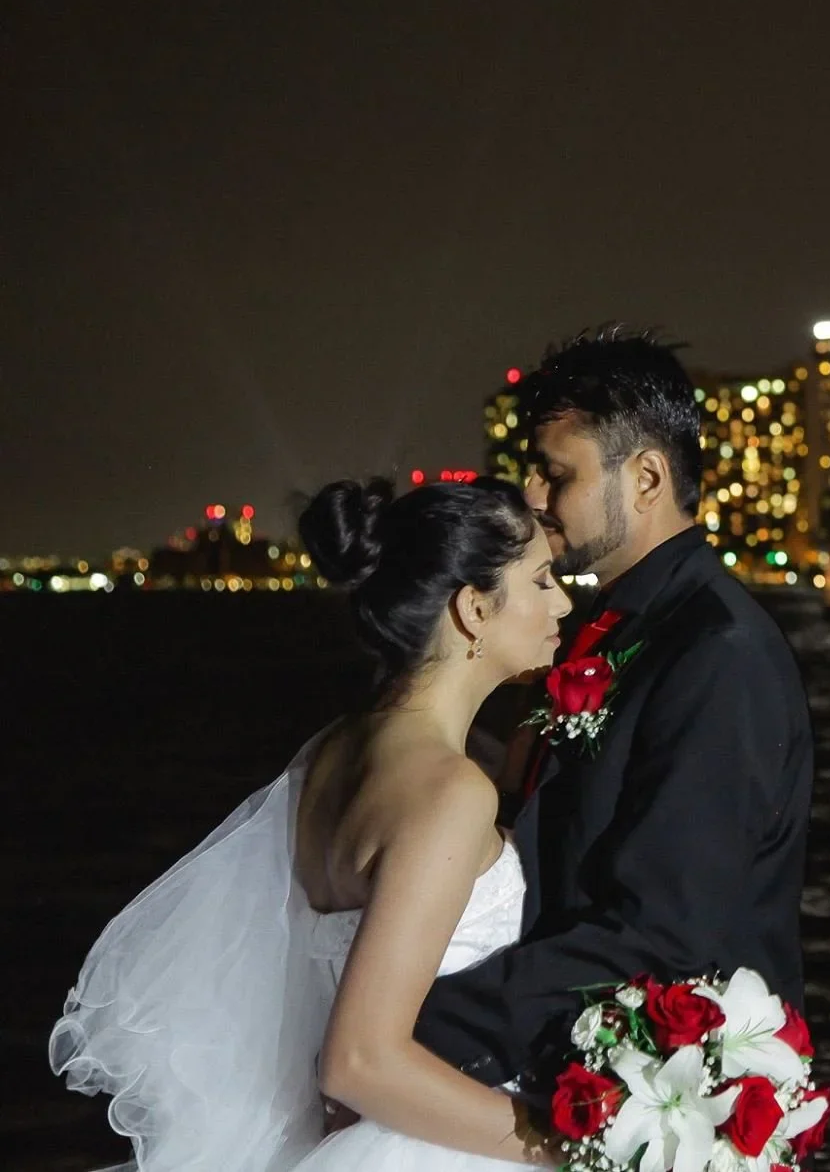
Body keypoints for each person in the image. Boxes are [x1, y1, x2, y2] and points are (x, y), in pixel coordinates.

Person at [54, 475, 574, 1168]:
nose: (563, 600)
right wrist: (560, 1145)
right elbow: (359, 1058)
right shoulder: (450, 791)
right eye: (541, 580)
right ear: (474, 607)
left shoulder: (332, 751)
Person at [415, 327, 814, 1087]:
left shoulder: (717, 654)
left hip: (667, 1094)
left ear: (646, 477)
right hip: (572, 1057)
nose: (532, 496)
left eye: (554, 473)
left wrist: (420, 1025)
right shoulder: (611, 628)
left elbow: (665, 932)